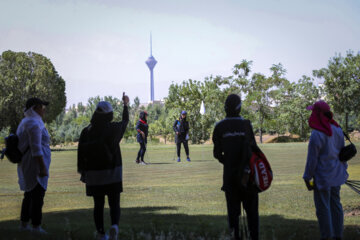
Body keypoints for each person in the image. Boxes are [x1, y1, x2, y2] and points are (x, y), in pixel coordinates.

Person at [77, 93, 129, 240]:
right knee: (114, 203)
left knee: (98, 205)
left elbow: (81, 154)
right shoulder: (113, 129)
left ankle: (101, 233)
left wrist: (83, 172)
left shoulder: (86, 131)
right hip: (113, 172)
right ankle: (114, 226)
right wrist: (125, 105)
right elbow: (125, 122)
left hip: (94, 175)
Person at [212, 94, 259, 240]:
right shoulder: (246, 124)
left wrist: (229, 162)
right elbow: (253, 149)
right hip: (248, 177)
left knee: (233, 217)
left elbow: (217, 153)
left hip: (230, 178)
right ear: (239, 108)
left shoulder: (219, 127)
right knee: (252, 215)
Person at [303, 100, 348, 240]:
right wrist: (343, 170)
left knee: (323, 209)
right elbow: (342, 154)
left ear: (317, 114)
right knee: (336, 206)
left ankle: (327, 236)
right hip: (336, 175)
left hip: (323, 177)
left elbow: (312, 160)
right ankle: (337, 235)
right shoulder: (338, 129)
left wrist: (307, 177)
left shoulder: (317, 134)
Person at [17, 97, 51, 234]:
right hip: (34, 165)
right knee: (37, 196)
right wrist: (42, 167)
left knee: (30, 194)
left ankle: (24, 224)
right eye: (42, 107)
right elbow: (36, 148)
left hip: (30, 163)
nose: (44, 110)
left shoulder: (29, 121)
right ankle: (36, 226)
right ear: (35, 108)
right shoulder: (33, 123)